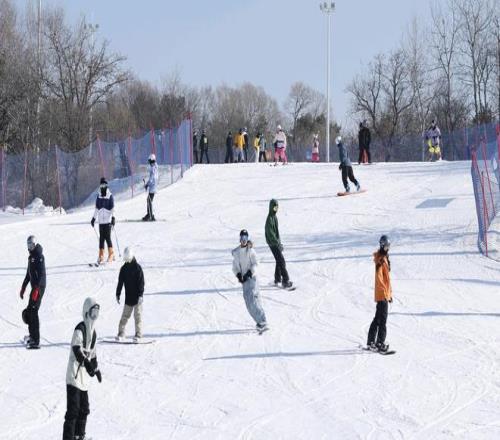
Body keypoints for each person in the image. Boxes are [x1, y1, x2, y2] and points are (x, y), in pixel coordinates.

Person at [63, 297, 102, 440]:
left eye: (97, 313)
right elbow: (77, 350)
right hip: (74, 377)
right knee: (73, 411)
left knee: (84, 410)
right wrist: (87, 364)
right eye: (93, 313)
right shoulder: (80, 330)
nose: (94, 316)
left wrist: (95, 369)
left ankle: (79, 436)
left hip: (84, 380)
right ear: (86, 312)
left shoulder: (94, 333)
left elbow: (93, 354)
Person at [232, 229, 268, 332]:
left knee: (253, 300)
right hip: (244, 280)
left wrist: (249, 273)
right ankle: (259, 321)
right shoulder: (237, 252)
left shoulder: (250, 251)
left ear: (247, 238)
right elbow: (235, 266)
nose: (244, 240)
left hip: (252, 278)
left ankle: (262, 321)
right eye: (242, 238)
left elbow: (256, 263)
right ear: (240, 239)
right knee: (248, 302)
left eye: (245, 238)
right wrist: (238, 275)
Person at [366, 235, 392, 353]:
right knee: (383, 319)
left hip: (383, 294)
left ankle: (371, 342)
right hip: (382, 295)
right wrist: (385, 295)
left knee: (378, 318)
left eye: (388, 246)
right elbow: (380, 279)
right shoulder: (380, 260)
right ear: (382, 246)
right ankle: (380, 342)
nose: (387, 248)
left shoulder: (384, 258)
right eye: (386, 246)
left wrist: (389, 294)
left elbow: (387, 280)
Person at [19, 235, 46, 349]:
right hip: (34, 288)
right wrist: (23, 287)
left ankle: (36, 340)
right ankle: (32, 335)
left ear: (35, 244)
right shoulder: (31, 257)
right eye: (28, 244)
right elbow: (28, 274)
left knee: (33, 311)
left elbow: (41, 274)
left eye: (31, 244)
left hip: (39, 287)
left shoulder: (39, 256)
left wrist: (37, 289)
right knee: (29, 311)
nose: (29, 247)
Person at [116, 247, 145, 342]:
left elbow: (141, 283)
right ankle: (121, 333)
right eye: (126, 259)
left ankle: (138, 334)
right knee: (124, 317)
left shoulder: (138, 268)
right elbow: (120, 282)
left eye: (128, 259)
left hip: (137, 298)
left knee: (138, 317)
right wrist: (118, 293)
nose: (127, 261)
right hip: (128, 298)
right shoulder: (123, 269)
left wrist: (140, 295)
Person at [265, 199, 292, 289]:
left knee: (278, 260)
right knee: (281, 261)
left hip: (275, 243)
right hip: (272, 243)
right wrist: (276, 243)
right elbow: (270, 233)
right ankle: (285, 280)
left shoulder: (274, 217)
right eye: (274, 207)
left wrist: (279, 243)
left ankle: (277, 279)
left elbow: (277, 233)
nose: (275, 209)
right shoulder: (269, 219)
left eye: (277, 207)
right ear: (271, 207)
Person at [91, 178, 115, 263]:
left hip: (108, 221)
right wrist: (93, 218)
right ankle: (101, 255)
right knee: (101, 239)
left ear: (106, 185)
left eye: (104, 185)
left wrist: (113, 218)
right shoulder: (98, 196)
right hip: (101, 221)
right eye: (101, 185)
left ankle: (111, 254)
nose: (103, 187)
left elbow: (112, 209)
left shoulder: (110, 196)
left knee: (108, 238)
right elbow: (97, 208)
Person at [142, 154, 158, 221]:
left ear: (152, 161)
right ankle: (149, 214)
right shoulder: (154, 167)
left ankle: (150, 215)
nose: (149, 163)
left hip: (152, 187)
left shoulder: (153, 168)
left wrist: (147, 185)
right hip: (153, 186)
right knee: (149, 200)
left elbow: (152, 178)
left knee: (149, 201)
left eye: (150, 161)